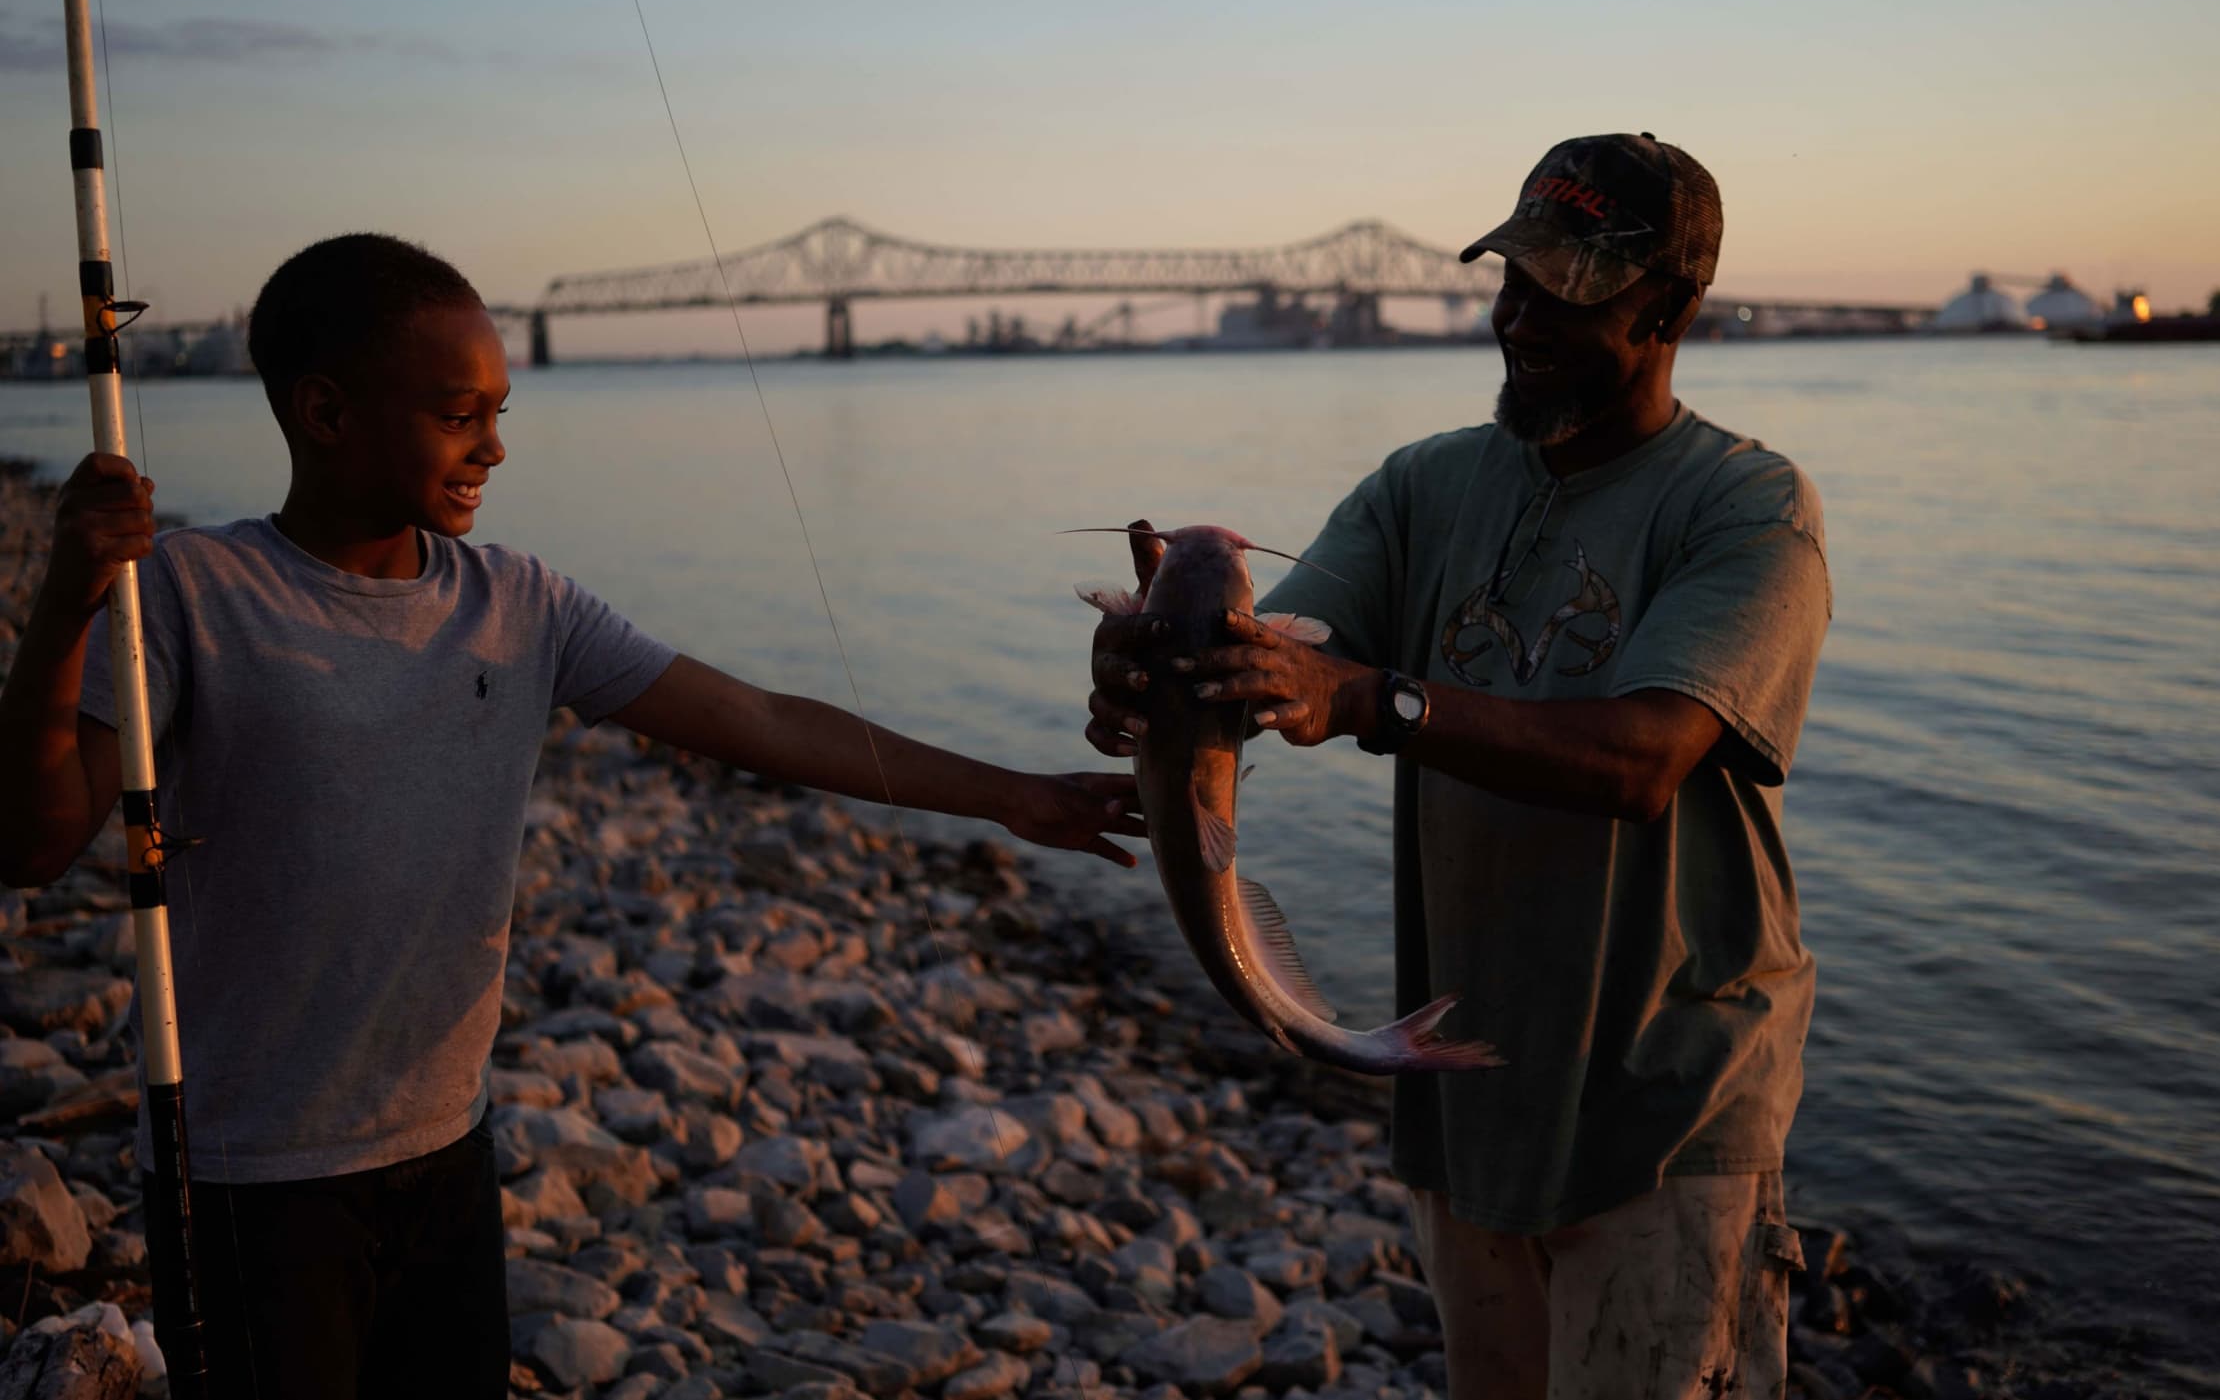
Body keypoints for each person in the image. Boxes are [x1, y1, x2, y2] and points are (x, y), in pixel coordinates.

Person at [0, 232, 1145, 1399]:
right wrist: (63, 605)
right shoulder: (191, 594)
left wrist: (1018, 796)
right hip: (247, 1179)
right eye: (460, 414)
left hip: (445, 1151)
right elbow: (35, 843)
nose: (496, 444)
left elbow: (764, 718)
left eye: (499, 409)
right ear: (326, 412)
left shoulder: (522, 604)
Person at [1085, 134, 1830, 1399]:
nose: (1520, 320)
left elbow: (1644, 757)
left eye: (1569, 294)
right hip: (1466, 1086)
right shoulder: (1423, 486)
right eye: (1513, 280)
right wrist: (1167, 670)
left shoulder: (1746, 506)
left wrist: (1380, 700)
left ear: (1669, 308)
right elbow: (1289, 657)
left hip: (1673, 1109)